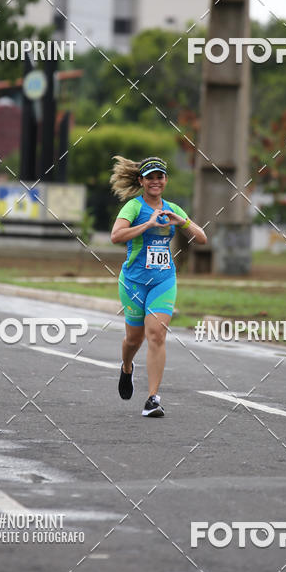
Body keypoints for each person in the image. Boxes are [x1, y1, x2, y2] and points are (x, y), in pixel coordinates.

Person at [110, 155, 207, 417]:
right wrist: (148, 224)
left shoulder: (172, 208)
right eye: (150, 177)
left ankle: (153, 398)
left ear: (165, 180)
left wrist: (181, 221)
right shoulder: (133, 207)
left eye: (160, 176)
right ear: (141, 181)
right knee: (134, 339)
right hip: (133, 282)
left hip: (164, 280)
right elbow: (116, 236)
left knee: (156, 334)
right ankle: (127, 366)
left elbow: (202, 238)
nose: (155, 181)